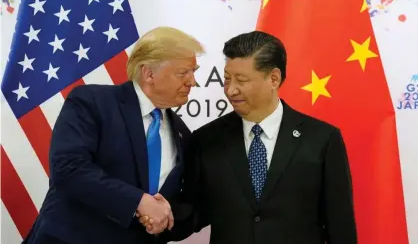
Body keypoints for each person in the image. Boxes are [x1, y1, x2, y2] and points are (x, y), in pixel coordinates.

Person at [141, 31, 358, 244]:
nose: (231, 90)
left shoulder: (322, 139)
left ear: (274, 78)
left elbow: (340, 225)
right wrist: (160, 217)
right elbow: (193, 212)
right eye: (227, 79)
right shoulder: (207, 140)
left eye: (241, 80)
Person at [22, 26, 205, 244]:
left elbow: (178, 205)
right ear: (149, 73)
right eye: (183, 72)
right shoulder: (92, 102)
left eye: (194, 72)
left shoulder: (183, 134)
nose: (192, 81)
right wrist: (138, 202)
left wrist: (162, 220)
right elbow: (68, 168)